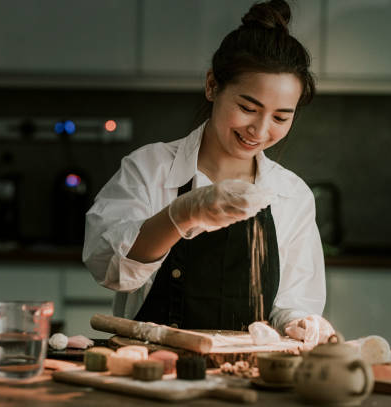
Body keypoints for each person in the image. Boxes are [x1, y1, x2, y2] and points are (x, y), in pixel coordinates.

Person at [83, 0, 334, 348]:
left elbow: (292, 305)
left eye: (280, 117)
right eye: (248, 108)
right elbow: (109, 269)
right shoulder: (150, 168)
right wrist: (182, 213)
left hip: (246, 374)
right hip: (153, 367)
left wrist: (301, 323)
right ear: (213, 85)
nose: (260, 131)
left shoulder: (292, 195)